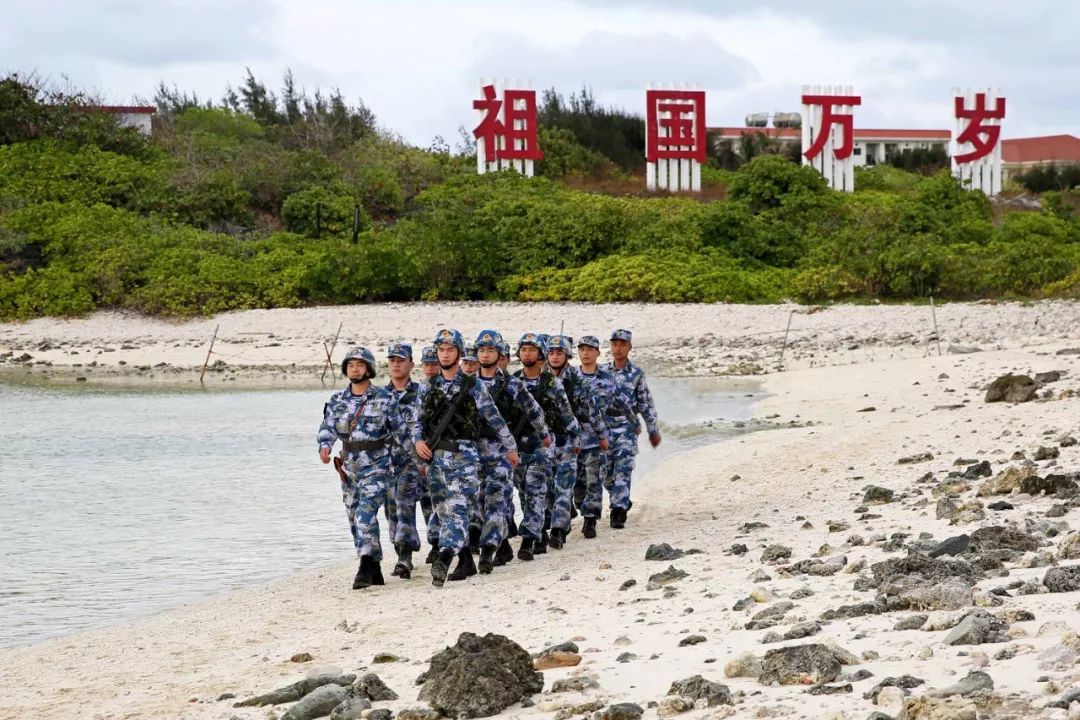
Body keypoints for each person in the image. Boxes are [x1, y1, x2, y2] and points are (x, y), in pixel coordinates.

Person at [412, 329, 520, 587]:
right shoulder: (428, 387)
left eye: (450, 350)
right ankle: (466, 561)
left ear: (459, 354)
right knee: (442, 510)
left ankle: (445, 556)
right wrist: (417, 443)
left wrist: (511, 447)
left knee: (459, 510)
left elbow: (495, 418)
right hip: (437, 457)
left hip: (466, 456)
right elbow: (416, 422)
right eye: (441, 350)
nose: (445, 354)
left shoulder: (474, 385)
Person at [317, 347, 408, 589]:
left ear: (368, 369)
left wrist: (412, 462)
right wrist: (325, 447)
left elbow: (401, 434)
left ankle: (365, 565)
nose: (355, 369)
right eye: (350, 365)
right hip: (349, 469)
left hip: (377, 466)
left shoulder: (385, 399)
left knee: (365, 514)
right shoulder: (337, 401)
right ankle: (374, 566)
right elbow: (328, 428)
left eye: (359, 365)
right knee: (354, 517)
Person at [472, 329, 551, 573]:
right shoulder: (466, 383)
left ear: (500, 353)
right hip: (472, 452)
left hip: (503, 450)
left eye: (490, 350)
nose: (485, 355)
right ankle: (503, 542)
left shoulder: (511, 383)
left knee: (498, 499)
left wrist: (545, 434)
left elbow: (533, 410)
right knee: (480, 501)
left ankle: (487, 551)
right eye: (481, 350)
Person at [512, 333, 580, 559]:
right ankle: (539, 530)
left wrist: (575, 439)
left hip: (544, 443)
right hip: (518, 445)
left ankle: (532, 537)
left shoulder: (552, 383)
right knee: (523, 491)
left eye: (532, 350)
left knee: (536, 490)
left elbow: (566, 413)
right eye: (524, 349)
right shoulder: (512, 382)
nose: (527, 354)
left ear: (540, 354)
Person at [545, 335, 609, 547]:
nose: (555, 357)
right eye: (551, 353)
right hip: (550, 442)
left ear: (567, 355)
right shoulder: (540, 378)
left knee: (587, 482)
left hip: (581, 438)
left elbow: (592, 410)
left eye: (559, 353)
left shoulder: (576, 379)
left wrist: (602, 436)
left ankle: (587, 519)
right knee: (555, 487)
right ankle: (559, 524)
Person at [574, 335, 634, 537]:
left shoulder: (609, 380)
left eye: (590, 349)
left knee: (594, 480)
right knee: (577, 484)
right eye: (582, 349)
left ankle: (591, 520)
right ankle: (611, 499)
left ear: (598, 353)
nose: (586, 353)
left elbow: (623, 405)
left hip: (598, 438)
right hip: (573, 439)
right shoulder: (570, 377)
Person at [602, 329, 660, 529]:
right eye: (614, 344)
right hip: (604, 429)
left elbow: (645, 403)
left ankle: (618, 510)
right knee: (605, 472)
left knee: (623, 469)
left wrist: (652, 429)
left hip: (626, 428)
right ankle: (622, 498)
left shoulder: (636, 374)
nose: (618, 348)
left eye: (622, 344)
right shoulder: (600, 372)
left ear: (629, 347)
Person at [384, 343, 423, 579]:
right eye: (392, 360)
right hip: (386, 463)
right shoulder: (379, 396)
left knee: (405, 504)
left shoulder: (422, 393)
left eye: (401, 359)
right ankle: (399, 549)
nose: (396, 364)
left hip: (413, 461)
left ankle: (405, 557)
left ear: (411, 364)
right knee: (391, 511)